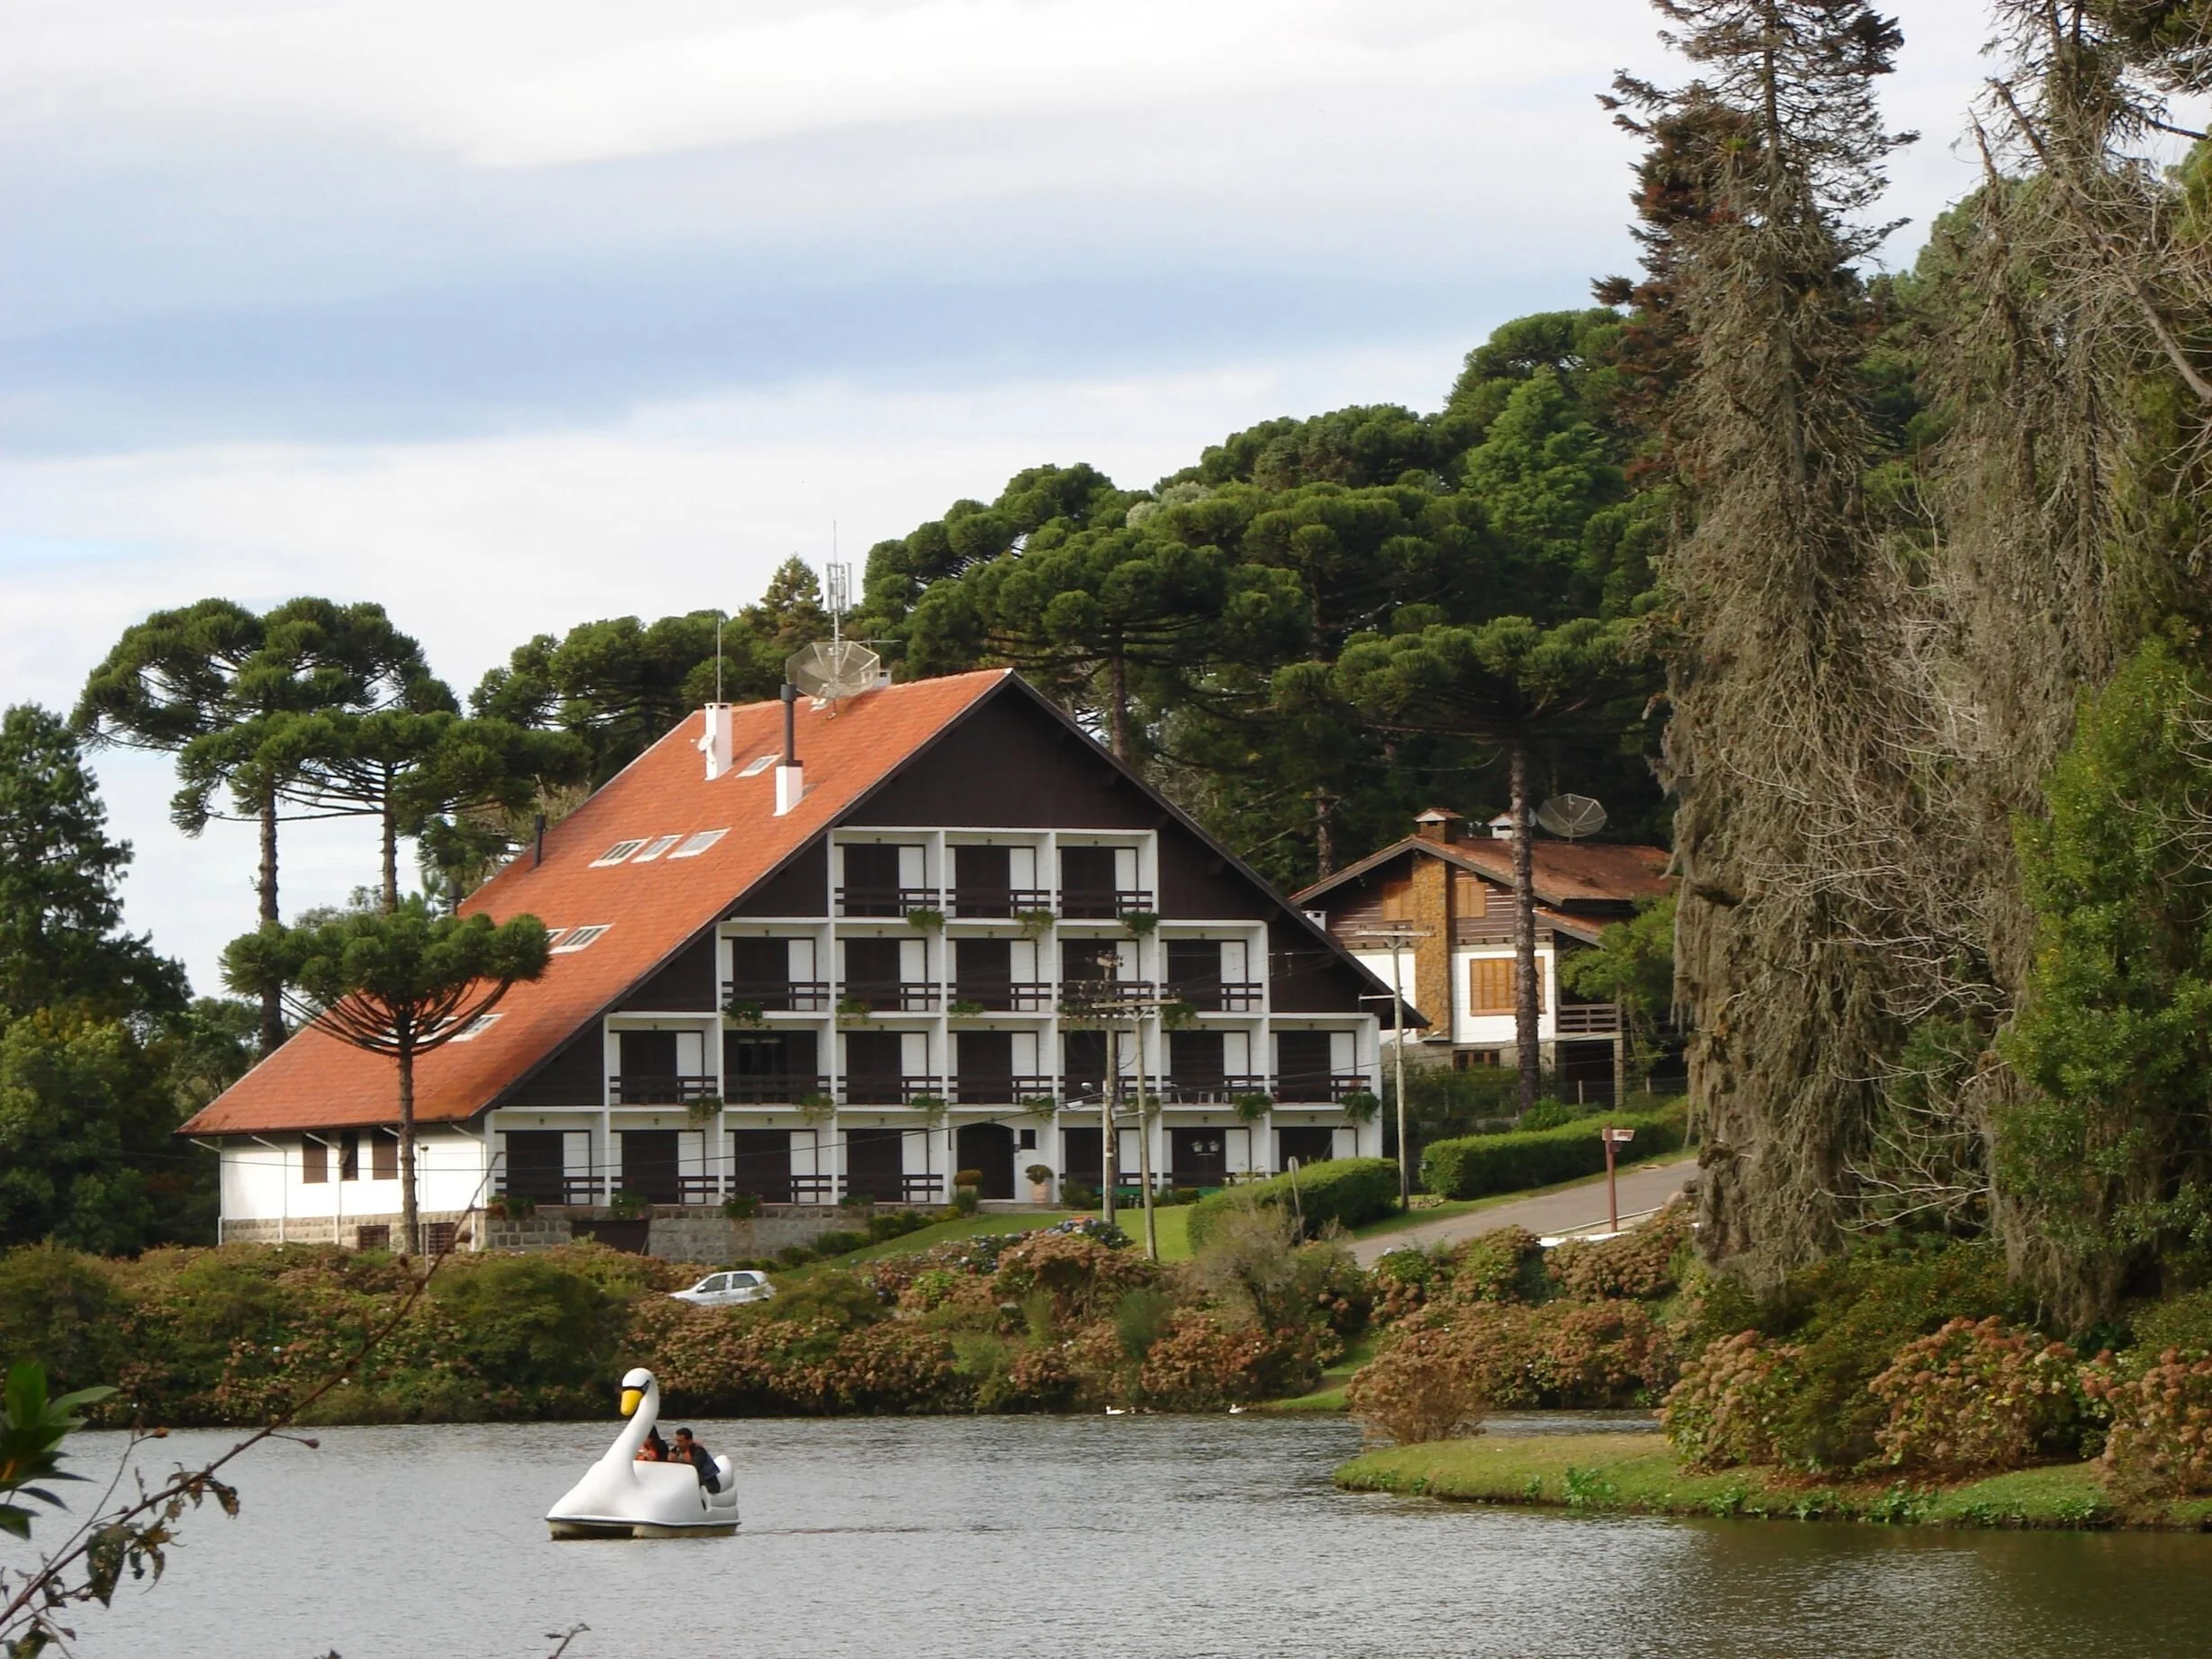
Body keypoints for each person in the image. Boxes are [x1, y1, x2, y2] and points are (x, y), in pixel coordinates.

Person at [670, 1427, 720, 1493]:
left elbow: (695, 1467)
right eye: (677, 1441)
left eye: (681, 1441)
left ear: (689, 1441)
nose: (678, 1444)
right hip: (689, 1482)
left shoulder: (699, 1451)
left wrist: (677, 1460)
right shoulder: (676, 1450)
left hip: (709, 1484)